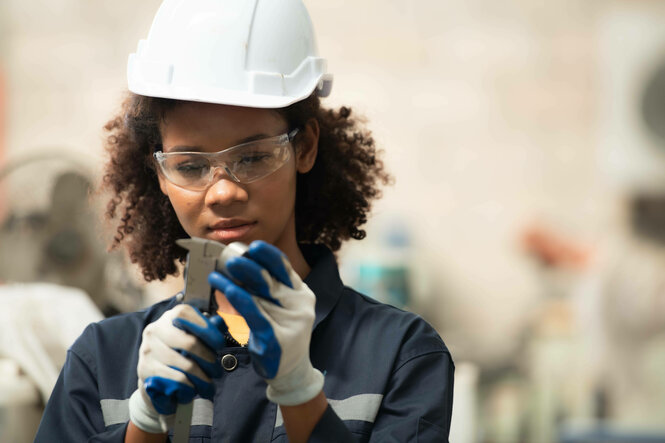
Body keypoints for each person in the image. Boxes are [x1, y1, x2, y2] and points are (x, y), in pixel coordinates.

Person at [35, 0, 454, 441]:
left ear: (305, 148)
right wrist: (145, 421)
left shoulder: (400, 354)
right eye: (191, 165)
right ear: (159, 173)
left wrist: (300, 391)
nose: (223, 192)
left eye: (254, 157)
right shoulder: (101, 361)